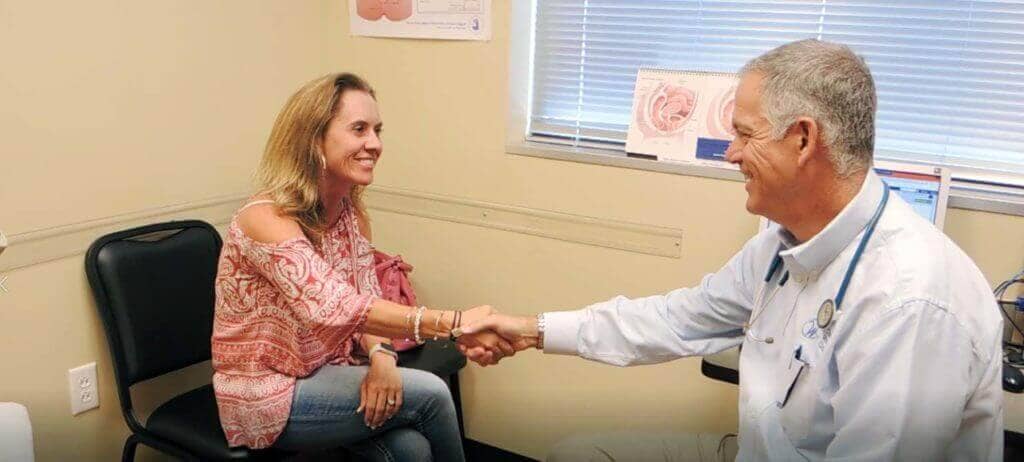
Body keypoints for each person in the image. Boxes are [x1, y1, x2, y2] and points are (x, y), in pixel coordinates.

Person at [455, 39, 1004, 461]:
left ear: (804, 139)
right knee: (575, 454)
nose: (731, 154)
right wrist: (531, 330)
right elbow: (677, 319)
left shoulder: (910, 301)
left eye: (744, 134)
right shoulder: (782, 243)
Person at [211, 72, 512, 461]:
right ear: (314, 138)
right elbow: (336, 308)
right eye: (359, 129)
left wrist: (382, 358)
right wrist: (459, 323)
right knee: (433, 394)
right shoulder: (266, 217)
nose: (375, 144)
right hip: (265, 391)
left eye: (377, 130)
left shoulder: (350, 211)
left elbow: (365, 297)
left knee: (411, 449)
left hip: (328, 369)